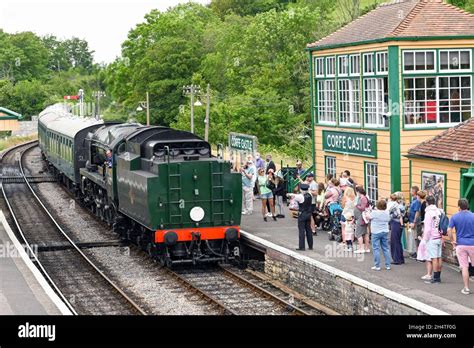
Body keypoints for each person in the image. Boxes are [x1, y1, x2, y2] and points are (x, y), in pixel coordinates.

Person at [448, 199, 474, 295]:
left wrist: (452, 241)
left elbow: (449, 230)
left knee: (464, 267)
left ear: (459, 207)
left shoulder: (455, 217)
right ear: (467, 206)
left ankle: (466, 288)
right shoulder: (473, 216)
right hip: (473, 244)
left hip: (461, 244)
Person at [423, 196, 443, 284]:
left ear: (427, 202)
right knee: (439, 257)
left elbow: (427, 228)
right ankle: (438, 276)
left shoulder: (428, 213)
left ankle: (435, 278)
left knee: (434, 258)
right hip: (439, 236)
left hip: (432, 237)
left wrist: (425, 239)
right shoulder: (439, 211)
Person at [288, 184, 313, 251]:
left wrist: (289, 194)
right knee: (309, 230)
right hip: (308, 214)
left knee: (301, 230)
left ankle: (302, 246)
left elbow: (293, 196)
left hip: (302, 214)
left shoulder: (300, 196)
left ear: (301, 190)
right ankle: (310, 245)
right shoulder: (310, 195)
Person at [367, 200, 392, 271]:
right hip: (385, 231)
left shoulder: (374, 212)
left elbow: (368, 217)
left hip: (376, 232)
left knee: (376, 249)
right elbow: (389, 219)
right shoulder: (387, 213)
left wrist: (369, 212)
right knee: (386, 248)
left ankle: (377, 265)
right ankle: (388, 265)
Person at [388, 194, 405, 265]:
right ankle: (400, 258)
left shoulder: (394, 206)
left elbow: (395, 215)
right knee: (398, 241)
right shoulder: (402, 206)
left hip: (395, 223)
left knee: (394, 241)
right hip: (400, 224)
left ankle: (396, 259)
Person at [354, 186, 370, 254]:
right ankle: (366, 248)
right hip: (361, 217)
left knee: (358, 233)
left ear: (358, 192)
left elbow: (362, 208)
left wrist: (356, 206)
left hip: (361, 217)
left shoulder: (363, 198)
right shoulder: (363, 198)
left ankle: (361, 248)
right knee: (365, 233)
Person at [408, 186, 421, 258]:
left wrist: (414, 222)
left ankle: (418, 253)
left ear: (414, 191)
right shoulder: (413, 200)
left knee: (416, 237)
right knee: (414, 237)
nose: (410, 192)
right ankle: (416, 252)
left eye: (411, 191)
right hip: (411, 220)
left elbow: (417, 212)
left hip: (414, 221)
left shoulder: (416, 201)